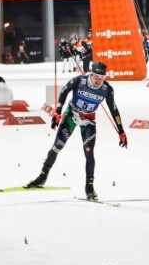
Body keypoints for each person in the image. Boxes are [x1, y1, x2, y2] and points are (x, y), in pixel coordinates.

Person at [25, 61, 128, 201]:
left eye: (102, 77)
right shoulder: (79, 80)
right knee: (57, 147)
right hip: (71, 116)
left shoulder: (107, 89)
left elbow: (113, 109)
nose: (99, 80)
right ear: (91, 74)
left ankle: (89, 187)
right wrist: (58, 113)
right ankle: (42, 177)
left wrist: (121, 131)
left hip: (89, 121)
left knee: (89, 153)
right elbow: (64, 91)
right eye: (97, 76)